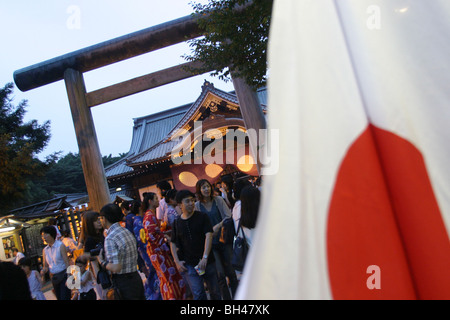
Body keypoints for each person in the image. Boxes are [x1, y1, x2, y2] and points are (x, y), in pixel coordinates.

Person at [171, 190, 221, 300]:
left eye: (193, 200)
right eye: (187, 201)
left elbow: (209, 235)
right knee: (198, 294)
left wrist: (205, 257)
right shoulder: (176, 223)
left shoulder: (202, 217)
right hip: (190, 264)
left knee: (215, 292)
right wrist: (176, 261)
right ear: (180, 205)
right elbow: (173, 243)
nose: (191, 203)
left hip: (207, 262)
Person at [195, 179, 237, 299]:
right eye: (203, 187)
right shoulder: (197, 206)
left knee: (231, 273)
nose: (206, 189)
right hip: (210, 245)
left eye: (208, 186)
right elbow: (199, 226)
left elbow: (228, 216)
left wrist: (217, 226)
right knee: (220, 276)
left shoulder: (218, 200)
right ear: (199, 190)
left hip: (224, 241)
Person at [97, 203, 145, 300]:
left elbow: (115, 267)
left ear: (104, 218)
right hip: (135, 277)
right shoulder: (126, 231)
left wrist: (101, 262)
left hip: (124, 283)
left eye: (101, 218)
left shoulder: (110, 238)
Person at [142, 192, 185, 300]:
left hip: (157, 251)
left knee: (166, 278)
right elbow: (152, 235)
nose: (158, 201)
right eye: (156, 199)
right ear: (150, 201)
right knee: (169, 277)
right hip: (158, 251)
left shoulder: (150, 215)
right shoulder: (150, 216)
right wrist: (165, 239)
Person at [132, 198, 162, 300]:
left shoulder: (143, 218)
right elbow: (143, 240)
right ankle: (155, 296)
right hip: (148, 251)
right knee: (154, 273)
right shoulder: (138, 221)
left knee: (155, 273)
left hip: (149, 250)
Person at [80, 210, 107, 299]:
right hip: (100, 271)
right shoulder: (90, 240)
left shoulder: (101, 234)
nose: (99, 221)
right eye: (96, 220)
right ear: (89, 224)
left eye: (99, 219)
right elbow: (86, 255)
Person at [40, 225, 71, 300]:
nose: (44, 237)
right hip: (54, 278)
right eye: (42, 235)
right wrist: (43, 271)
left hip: (64, 275)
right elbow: (46, 266)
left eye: (45, 235)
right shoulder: (45, 250)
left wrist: (69, 276)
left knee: (65, 297)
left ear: (51, 234)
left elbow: (67, 262)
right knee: (59, 297)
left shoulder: (60, 246)